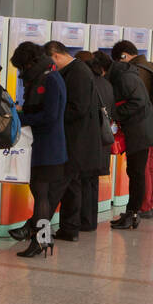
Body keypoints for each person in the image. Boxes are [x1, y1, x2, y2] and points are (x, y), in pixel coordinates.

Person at [9, 41, 67, 258]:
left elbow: (50, 116)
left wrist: (20, 117)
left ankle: (41, 241)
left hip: (49, 146)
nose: (23, 73)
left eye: (22, 67)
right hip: (47, 145)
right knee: (40, 194)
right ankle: (43, 239)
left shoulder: (51, 79)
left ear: (30, 62)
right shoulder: (49, 74)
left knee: (41, 195)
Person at [43, 41, 103, 241]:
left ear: (56, 56)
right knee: (72, 186)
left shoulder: (77, 73)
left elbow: (78, 108)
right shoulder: (77, 70)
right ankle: (69, 228)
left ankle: (37, 228)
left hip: (76, 139)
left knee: (58, 184)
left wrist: (53, 116)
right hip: (76, 139)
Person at [107, 47, 153, 230]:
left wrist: (115, 113)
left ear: (122, 56)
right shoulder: (146, 67)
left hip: (142, 128)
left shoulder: (133, 73)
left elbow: (137, 101)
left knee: (139, 171)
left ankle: (139, 209)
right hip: (150, 126)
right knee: (146, 168)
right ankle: (145, 206)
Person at [77, 51, 117, 231]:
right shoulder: (106, 84)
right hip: (102, 141)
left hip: (87, 140)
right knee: (92, 183)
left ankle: (82, 221)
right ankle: (90, 221)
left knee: (83, 182)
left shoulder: (86, 84)